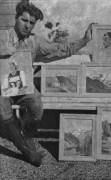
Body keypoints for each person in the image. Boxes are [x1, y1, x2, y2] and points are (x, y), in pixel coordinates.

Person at [0, 0, 93, 167]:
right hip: (2, 89)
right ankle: (29, 153)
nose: (27, 25)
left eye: (31, 23)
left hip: (23, 88)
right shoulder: (3, 36)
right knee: (3, 110)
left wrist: (84, 40)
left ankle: (27, 136)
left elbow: (61, 49)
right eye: (24, 20)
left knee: (36, 105)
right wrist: (5, 50)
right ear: (16, 18)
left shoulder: (35, 41)